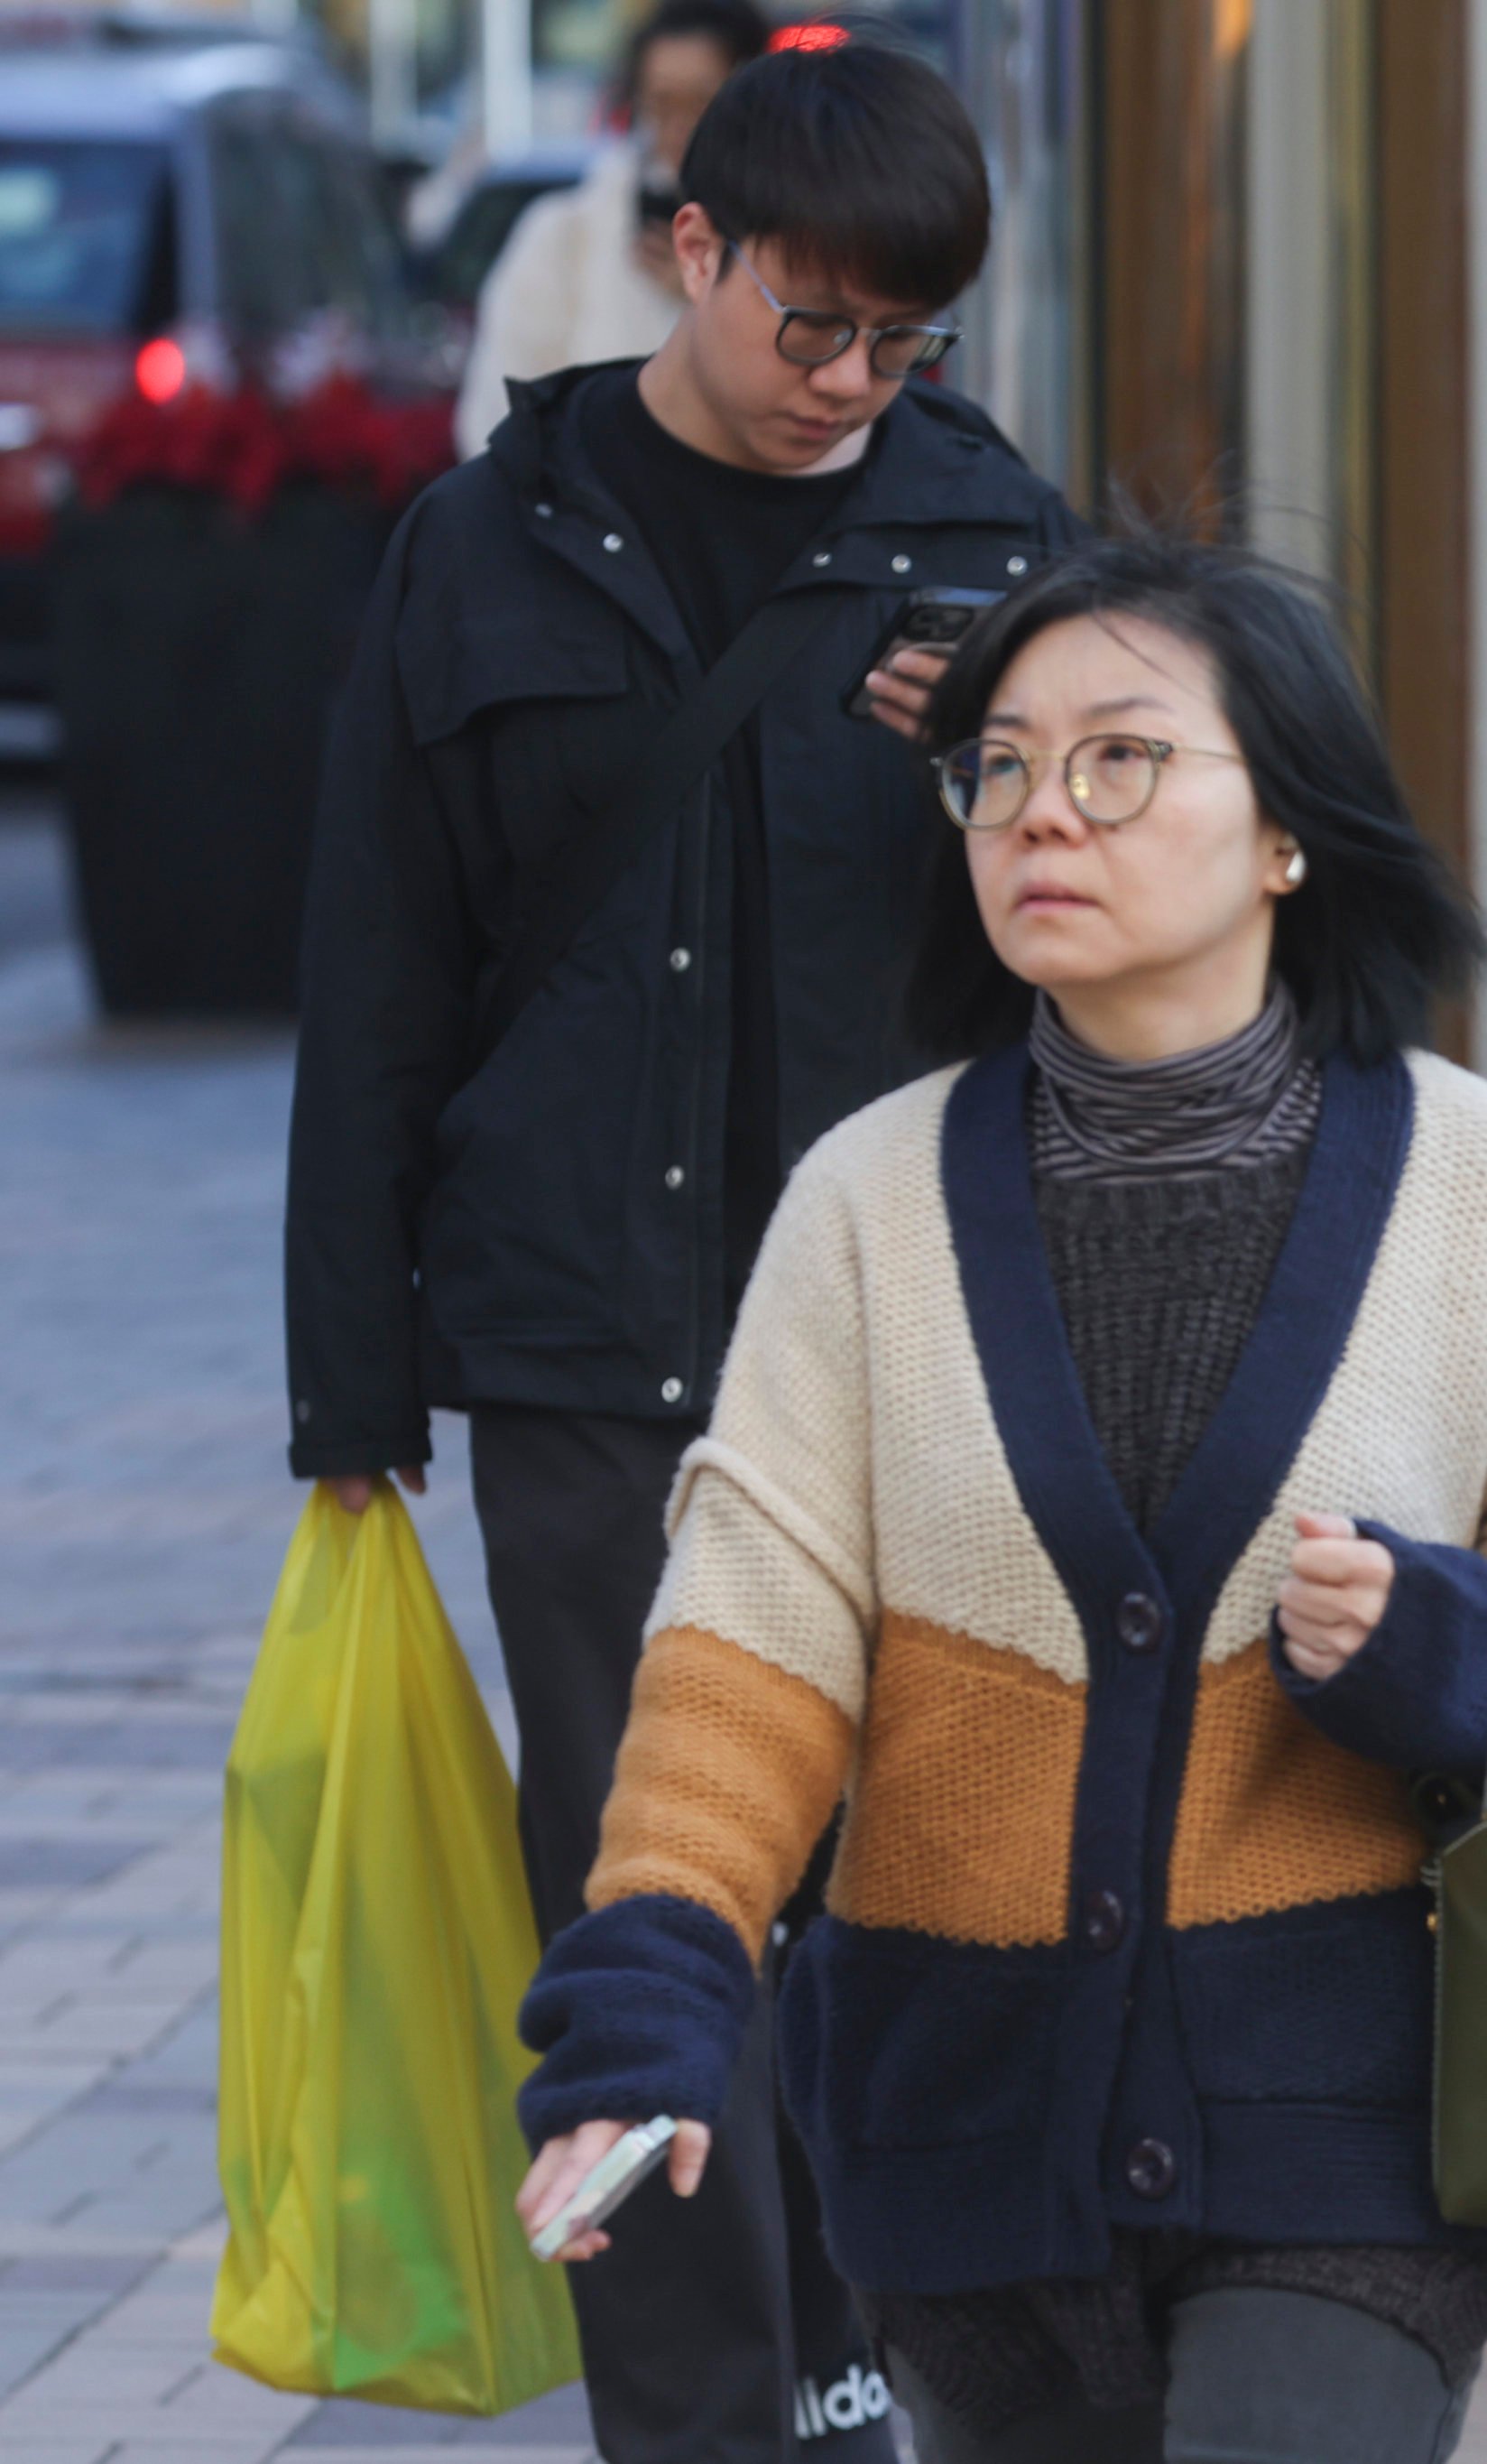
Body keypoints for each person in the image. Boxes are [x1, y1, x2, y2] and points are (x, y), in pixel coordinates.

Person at [510, 535, 1487, 2462]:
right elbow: (750, 1642)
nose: (1038, 810)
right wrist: (653, 1986)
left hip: (1354, 2116)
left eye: (1120, 758)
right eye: (997, 764)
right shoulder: (869, 1204)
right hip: (955, 2127)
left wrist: (1440, 1652)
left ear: (1286, 836)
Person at [284, 38, 1078, 2460]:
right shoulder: (485, 540)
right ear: (690, 246)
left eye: (903, 345)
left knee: (904, 1904)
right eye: (808, 326)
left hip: (914, 1352)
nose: (850, 386)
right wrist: (350, 1398)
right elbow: (380, 970)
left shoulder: (1006, 544)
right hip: (573, 1350)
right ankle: (706, 2419)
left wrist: (1004, 769)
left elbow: (1135, 957)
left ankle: (877, 2372)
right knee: (638, 1924)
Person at [452, 0, 774, 457]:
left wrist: (713, 303)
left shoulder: (793, 236)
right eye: (662, 105)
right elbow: (497, 420)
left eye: (702, 103)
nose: (680, 128)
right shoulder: (567, 236)